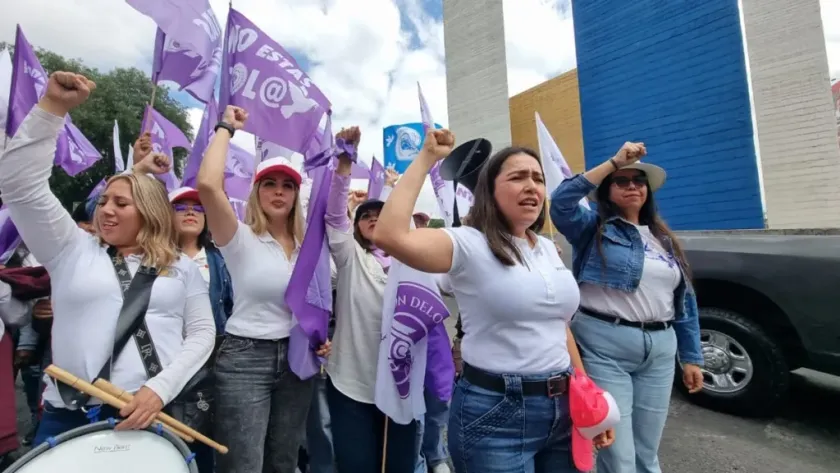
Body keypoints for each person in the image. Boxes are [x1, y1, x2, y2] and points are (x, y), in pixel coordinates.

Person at [373, 129, 613, 473]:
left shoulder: (546, 247)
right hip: (494, 415)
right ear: (490, 190)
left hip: (563, 407)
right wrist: (426, 158)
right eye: (517, 177)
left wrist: (589, 394)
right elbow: (389, 235)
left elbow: (558, 327)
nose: (531, 186)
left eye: (538, 178)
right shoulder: (468, 244)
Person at [0, 71, 216, 443]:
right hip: (68, 416)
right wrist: (52, 109)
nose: (106, 211)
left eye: (120, 203)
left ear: (149, 210)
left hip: (150, 415)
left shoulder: (181, 267)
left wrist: (159, 390)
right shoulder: (70, 248)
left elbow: (201, 332)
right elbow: (19, 186)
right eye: (102, 202)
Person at [549, 142, 704, 473]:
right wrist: (614, 162)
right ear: (607, 190)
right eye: (622, 180)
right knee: (617, 453)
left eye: (639, 181)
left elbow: (684, 300)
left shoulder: (663, 238)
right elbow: (560, 204)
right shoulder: (592, 227)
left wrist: (691, 357)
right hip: (605, 343)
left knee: (646, 450)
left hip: (661, 348)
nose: (633, 185)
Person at [197, 105, 329, 473]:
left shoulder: (310, 250)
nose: (279, 191)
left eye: (288, 185)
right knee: (244, 464)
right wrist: (226, 127)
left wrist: (321, 337)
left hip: (297, 360)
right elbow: (207, 185)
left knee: (284, 461)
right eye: (269, 183)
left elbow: (314, 307)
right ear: (256, 192)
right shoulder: (238, 238)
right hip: (245, 359)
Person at [324, 127, 417, 472]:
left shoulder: (413, 260)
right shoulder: (351, 257)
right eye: (366, 216)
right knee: (357, 464)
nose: (374, 218)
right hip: (352, 383)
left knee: (399, 465)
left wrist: (398, 187)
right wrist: (346, 161)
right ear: (357, 226)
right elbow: (335, 215)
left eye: (382, 214)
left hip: (402, 383)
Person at [168, 186, 234, 473]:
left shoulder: (222, 260)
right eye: (181, 206)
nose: (191, 211)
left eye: (198, 206)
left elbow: (232, 310)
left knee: (204, 440)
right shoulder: (151, 257)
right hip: (162, 363)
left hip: (208, 368)